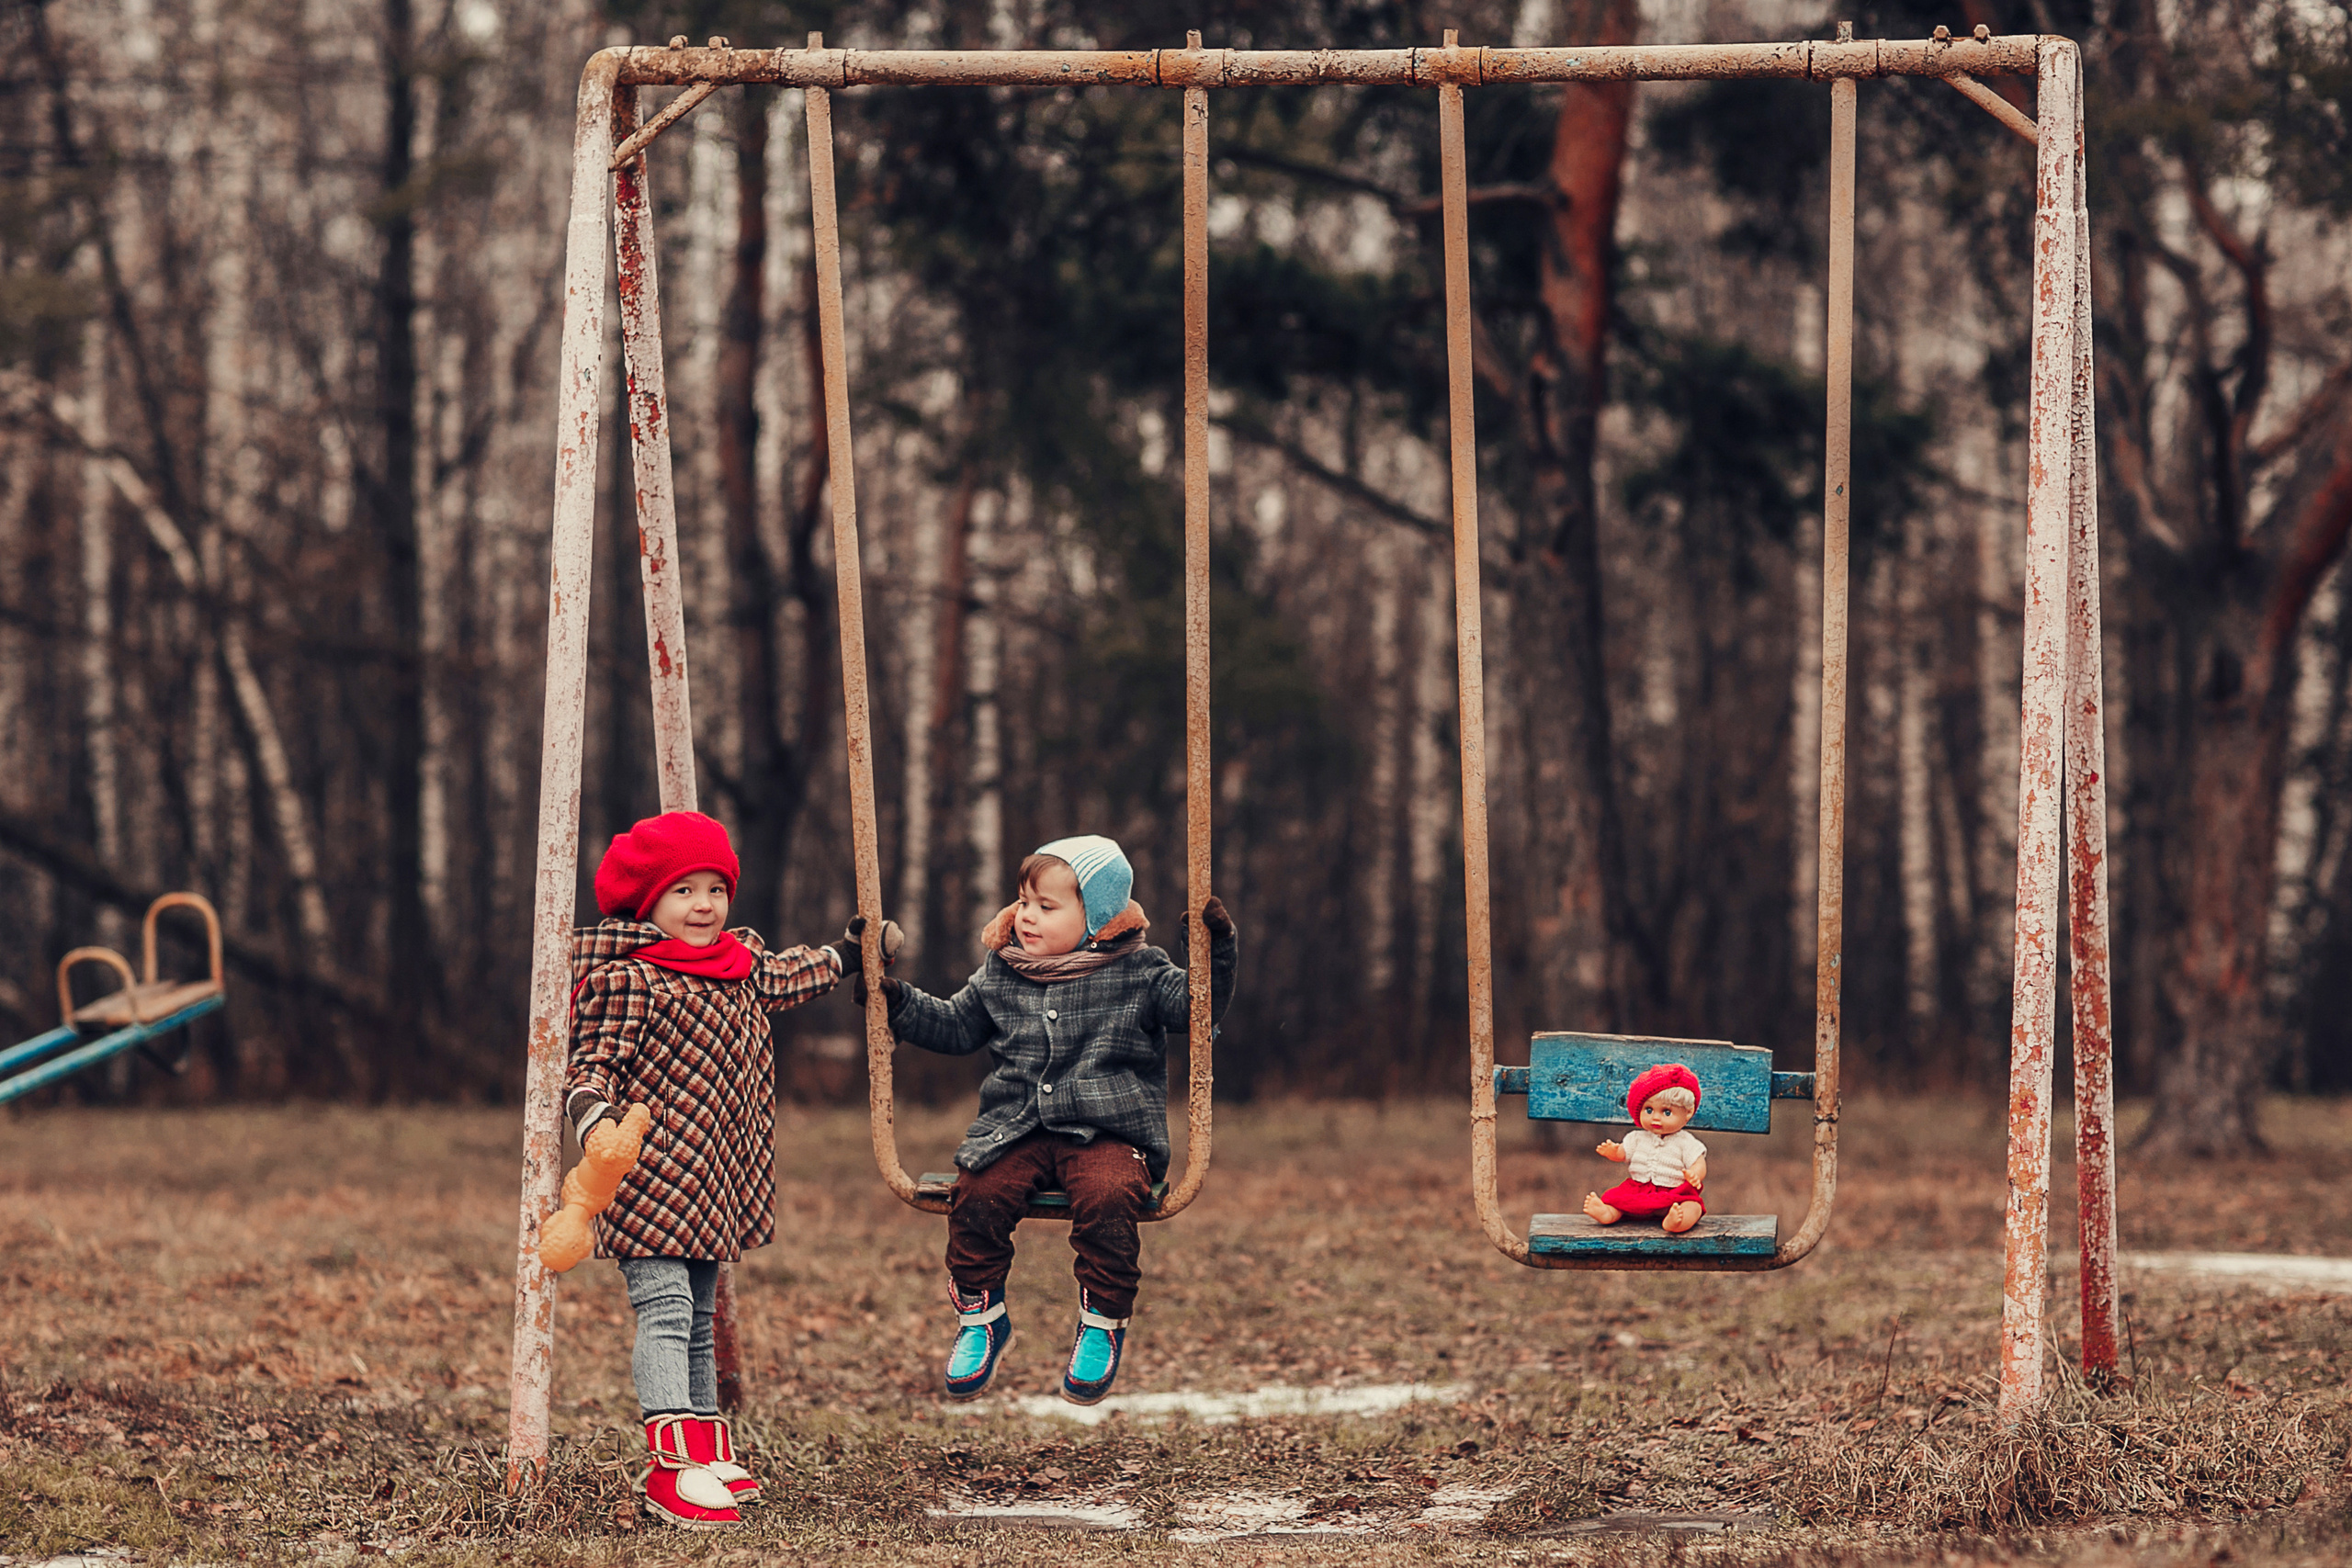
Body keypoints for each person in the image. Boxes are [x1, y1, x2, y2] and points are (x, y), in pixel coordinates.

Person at [557, 810, 888, 1529]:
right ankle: (670, 1464)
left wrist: (849, 953)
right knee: (667, 1309)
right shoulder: (630, 979)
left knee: (701, 1315)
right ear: (649, 903)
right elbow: (590, 1066)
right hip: (648, 1177)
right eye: (684, 891)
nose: (704, 905)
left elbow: (790, 972)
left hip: (714, 1182)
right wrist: (596, 1121)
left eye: (715, 888)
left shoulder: (737, 964)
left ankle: (706, 1449)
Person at [859, 835, 1237, 1405]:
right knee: (977, 1193)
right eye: (1023, 900)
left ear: (1097, 919)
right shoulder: (1002, 971)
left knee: (1111, 1200)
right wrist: (898, 1003)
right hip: (1018, 1129)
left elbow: (1195, 1006)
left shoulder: (1140, 970)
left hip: (1109, 1132)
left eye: (1047, 906)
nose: (1026, 917)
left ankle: (1103, 1321)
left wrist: (1214, 954)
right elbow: (957, 1026)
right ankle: (981, 1315)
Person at [1582, 1063, 1708, 1235]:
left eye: (1667, 1112)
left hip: (1674, 1195)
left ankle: (1676, 1222)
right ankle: (1608, 1213)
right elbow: (1624, 1152)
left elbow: (1698, 1162)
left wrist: (1695, 1174)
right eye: (1649, 1110)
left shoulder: (1686, 1142)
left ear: (1687, 1113)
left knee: (1693, 1206)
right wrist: (1615, 1152)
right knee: (1619, 1200)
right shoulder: (1637, 1137)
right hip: (1639, 1192)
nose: (1655, 1117)